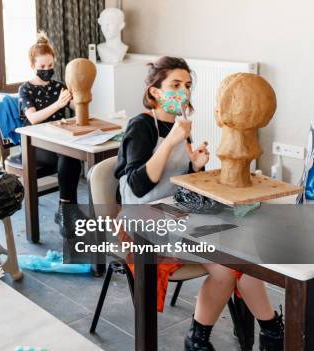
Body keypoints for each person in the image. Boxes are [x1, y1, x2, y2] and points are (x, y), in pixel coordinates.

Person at [115, 56, 284, 350]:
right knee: (231, 259)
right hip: (142, 222)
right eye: (175, 85)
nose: (183, 91)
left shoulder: (182, 129)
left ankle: (204, 338)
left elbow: (181, 185)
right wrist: (170, 142)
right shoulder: (140, 126)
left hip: (176, 214)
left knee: (235, 260)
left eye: (188, 85)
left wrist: (196, 166)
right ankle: (271, 332)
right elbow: (138, 187)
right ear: (155, 91)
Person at [18, 32, 82, 237]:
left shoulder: (58, 86)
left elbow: (77, 108)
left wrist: (79, 93)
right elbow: (34, 119)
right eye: (42, 66)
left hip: (59, 138)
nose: (47, 70)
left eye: (50, 66)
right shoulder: (25, 90)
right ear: (32, 65)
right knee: (67, 154)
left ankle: (66, 208)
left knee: (72, 153)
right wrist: (58, 104)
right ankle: (68, 209)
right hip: (35, 145)